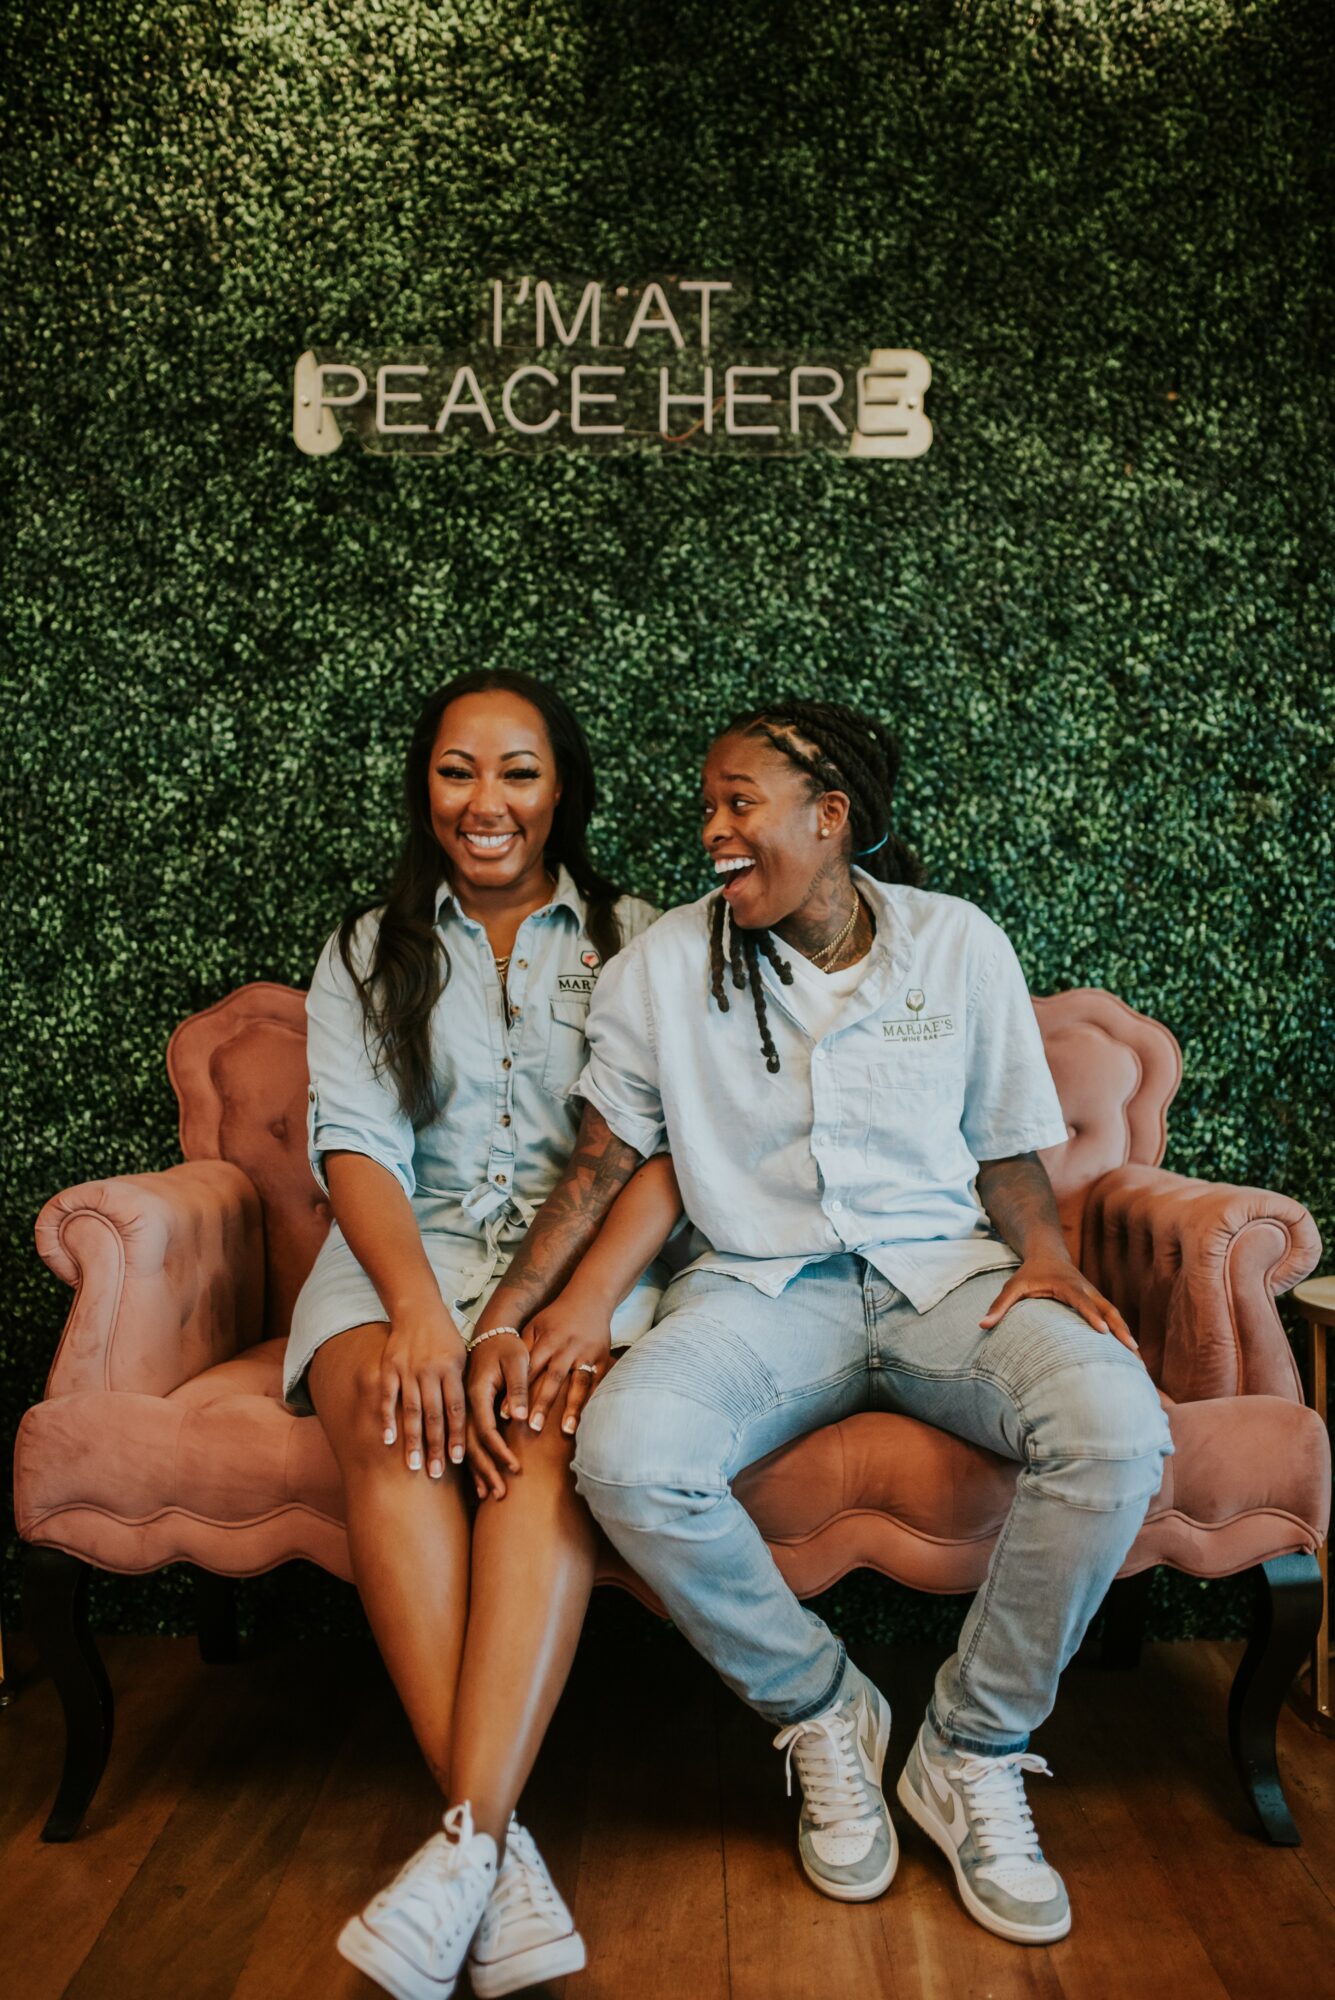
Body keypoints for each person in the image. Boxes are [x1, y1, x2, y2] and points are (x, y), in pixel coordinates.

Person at [466, 697, 1173, 1948]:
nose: (712, 830)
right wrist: (506, 1318)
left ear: (830, 814)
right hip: (760, 1287)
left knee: (1118, 1425)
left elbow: (1007, 1150)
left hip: (947, 1280)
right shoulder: (662, 968)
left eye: (739, 802)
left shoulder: (956, 943)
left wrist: (1051, 1258)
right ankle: (823, 1708)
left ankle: (969, 1748)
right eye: (707, 806)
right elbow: (599, 1164)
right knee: (628, 1455)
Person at [284, 667, 677, 2000]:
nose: (484, 800)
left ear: (561, 788)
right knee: (395, 1415)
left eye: (517, 770)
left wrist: (562, 1308)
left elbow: (655, 1148)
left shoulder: (640, 937)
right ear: (424, 788)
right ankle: (494, 1849)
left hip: (567, 1272)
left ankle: (462, 1843)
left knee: (541, 1430)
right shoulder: (365, 946)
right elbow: (354, 1142)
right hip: (402, 1255)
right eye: (457, 770)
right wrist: (412, 1314)